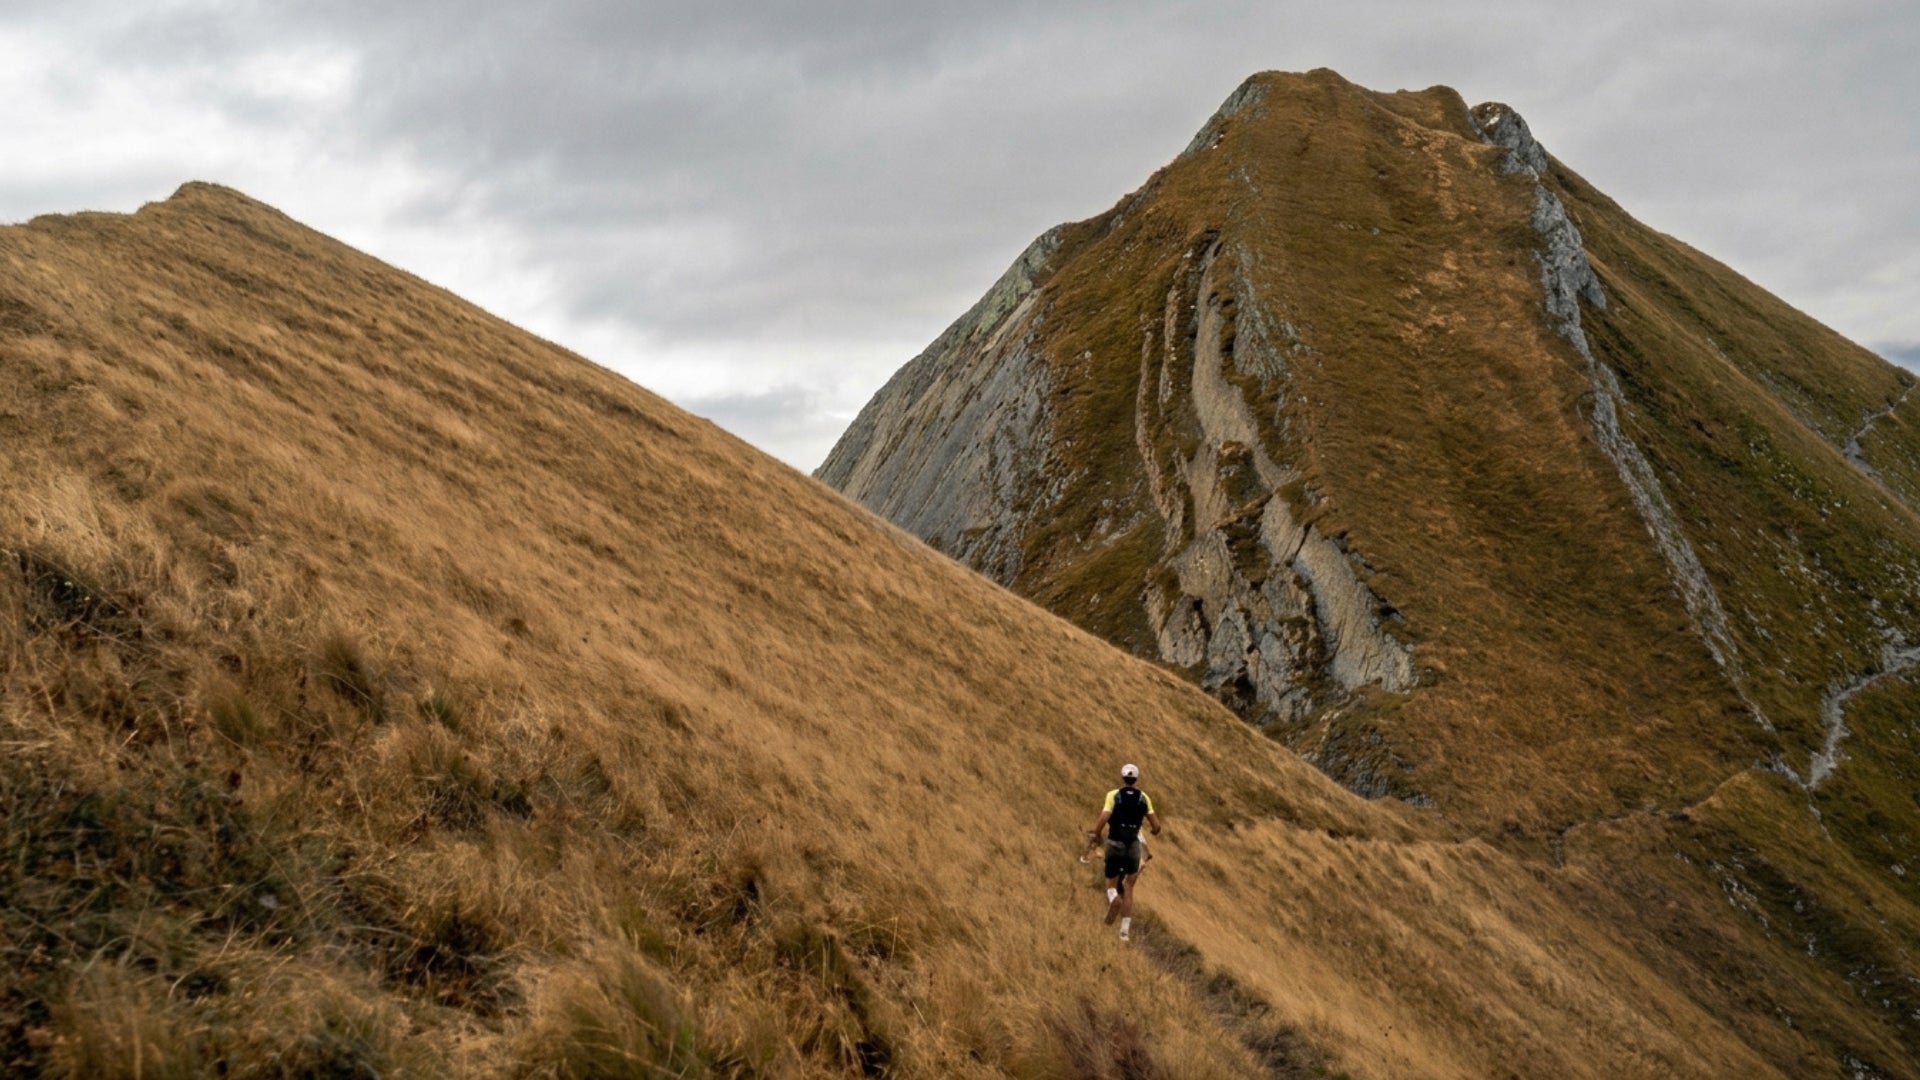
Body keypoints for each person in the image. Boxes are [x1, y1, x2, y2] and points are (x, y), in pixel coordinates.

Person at [1083, 762, 1161, 941]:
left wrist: (1096, 833)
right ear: (1136, 779)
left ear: (1122, 777)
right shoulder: (1144, 798)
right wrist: (1154, 830)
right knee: (1129, 887)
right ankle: (1124, 932)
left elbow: (1104, 816)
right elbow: (1156, 826)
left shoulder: (1113, 795)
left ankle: (1112, 898)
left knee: (1110, 881)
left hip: (1115, 843)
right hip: (1133, 847)